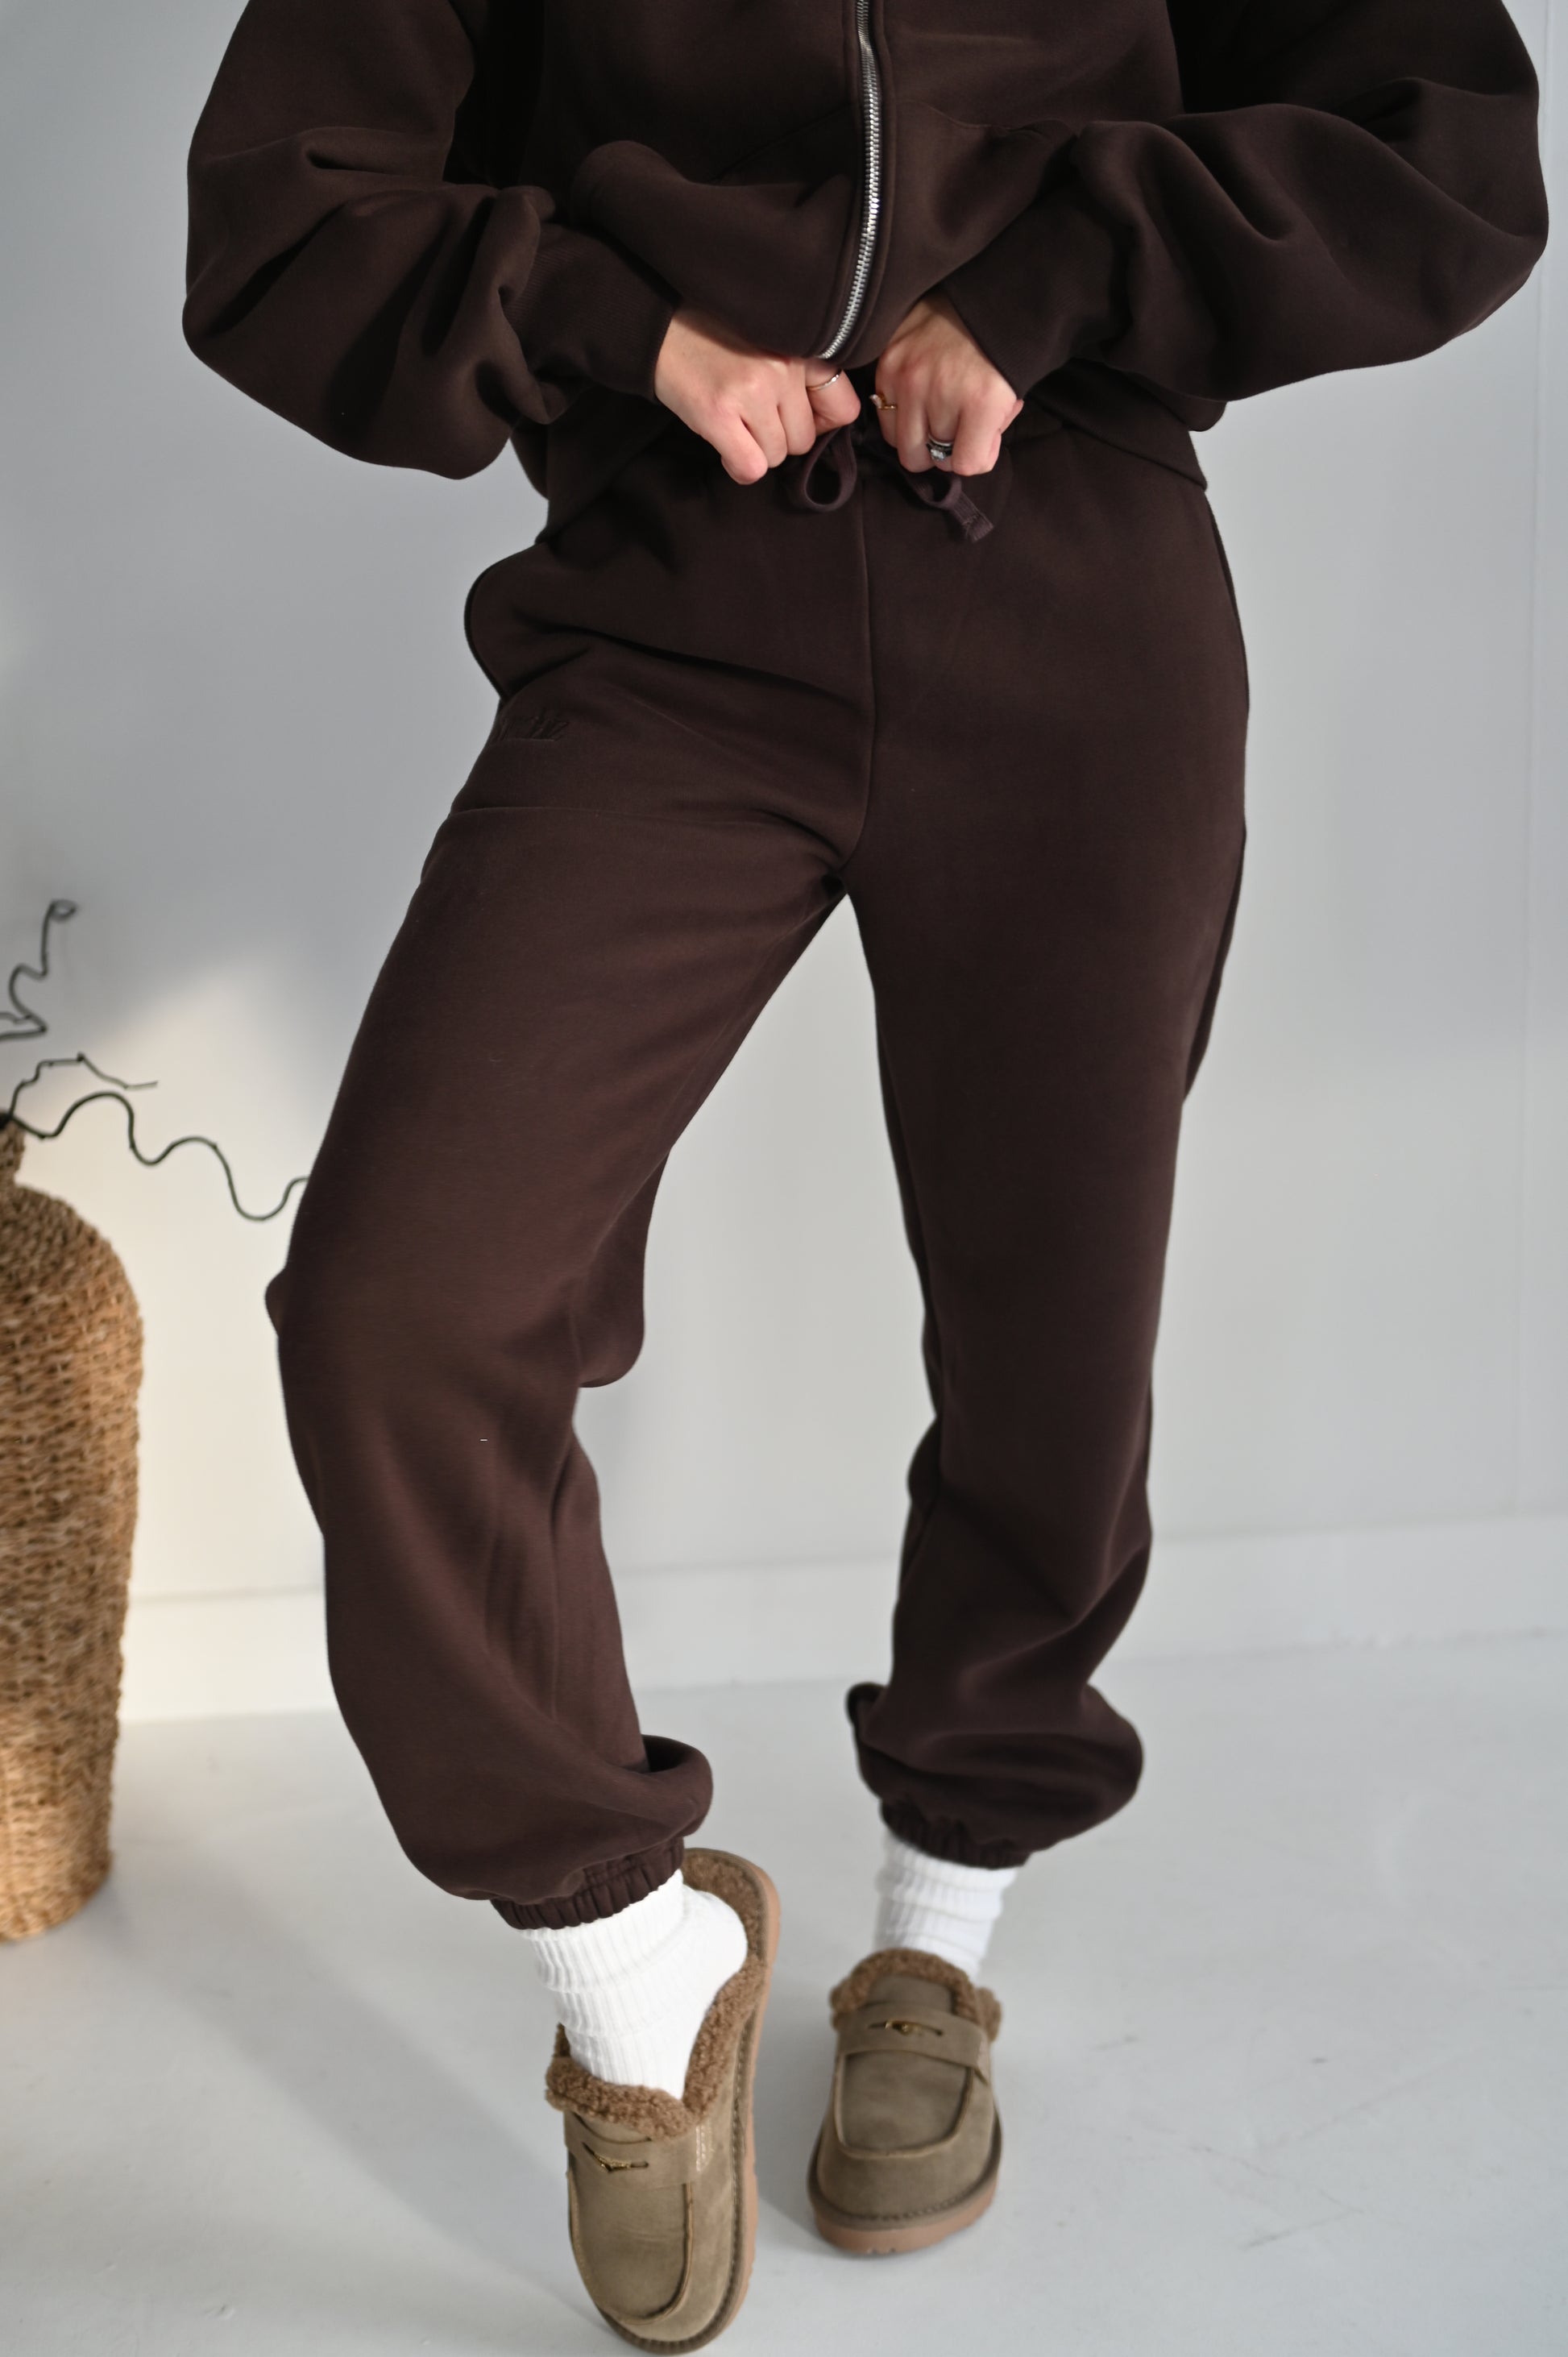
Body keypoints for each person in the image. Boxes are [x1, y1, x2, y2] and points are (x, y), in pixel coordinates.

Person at [183, 2, 1545, 2344]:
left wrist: (1042, 290)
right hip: (665, 620)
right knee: (404, 1304)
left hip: (1076, 593)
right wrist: (627, 326)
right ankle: (631, 1963)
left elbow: (1446, 143)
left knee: (1053, 1331)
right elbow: (286, 214)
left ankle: (941, 1929)